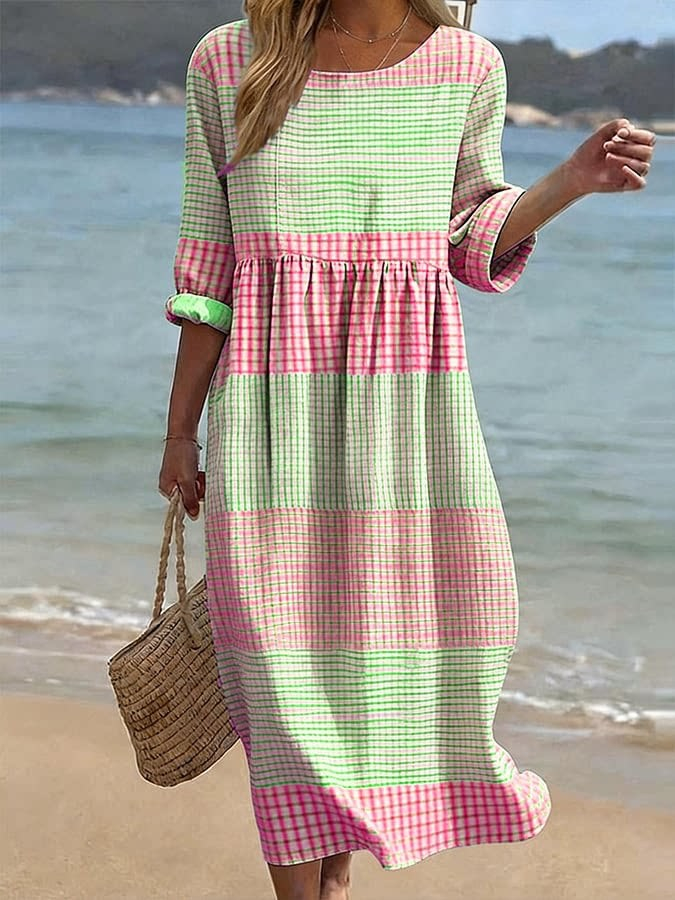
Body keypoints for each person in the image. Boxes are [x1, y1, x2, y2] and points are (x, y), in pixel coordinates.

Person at [157, 2, 656, 898]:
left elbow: (468, 239)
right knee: (276, 670)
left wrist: (571, 181)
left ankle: (334, 877)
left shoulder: (464, 66)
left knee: (377, 656)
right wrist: (179, 431)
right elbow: (209, 262)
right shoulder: (228, 61)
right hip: (268, 416)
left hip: (408, 422)